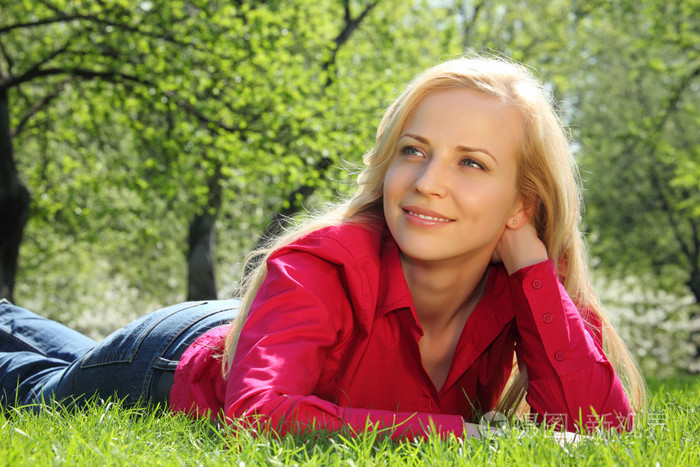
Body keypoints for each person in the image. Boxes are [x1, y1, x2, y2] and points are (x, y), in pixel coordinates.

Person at [0, 55, 645, 440]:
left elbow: (600, 433)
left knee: (48, 340)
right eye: (413, 152)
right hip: (173, 361)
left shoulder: (516, 288)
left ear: (521, 204)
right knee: (38, 385)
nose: (426, 183)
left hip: (259, 330)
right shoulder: (320, 265)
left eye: (471, 164)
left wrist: (532, 262)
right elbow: (255, 411)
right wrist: (470, 436)